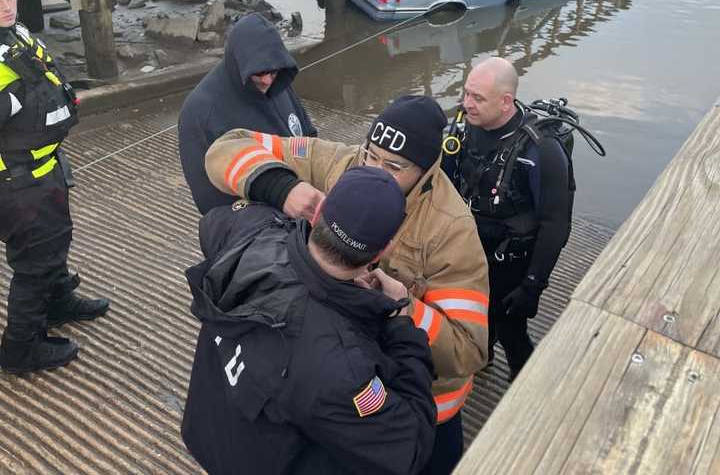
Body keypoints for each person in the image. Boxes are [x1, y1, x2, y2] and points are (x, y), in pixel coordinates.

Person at [204, 94, 490, 475]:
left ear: (426, 170)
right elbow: (227, 146)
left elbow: (469, 350)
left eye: (394, 166)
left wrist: (406, 308)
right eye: (371, 155)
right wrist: (281, 188)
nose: (374, 170)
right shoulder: (340, 161)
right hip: (342, 396)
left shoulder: (451, 228)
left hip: (423, 407)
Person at [181, 167, 436, 475]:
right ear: (383, 251)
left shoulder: (254, 229)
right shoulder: (343, 369)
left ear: (317, 214)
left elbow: (212, 224)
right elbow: (408, 449)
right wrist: (400, 325)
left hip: (208, 430)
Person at [0, 0, 110, 374]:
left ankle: (58, 300)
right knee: (35, 261)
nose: (7, 4)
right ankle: (19, 349)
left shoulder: (16, 33)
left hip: (44, 165)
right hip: (15, 180)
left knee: (54, 241)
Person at [442, 57, 570, 380]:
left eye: (477, 98)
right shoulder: (463, 128)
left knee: (511, 329)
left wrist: (533, 285)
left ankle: (523, 383)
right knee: (472, 320)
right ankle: (480, 362)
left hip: (512, 262)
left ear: (506, 102)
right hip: (469, 249)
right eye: (466, 93)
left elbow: (556, 224)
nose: (466, 104)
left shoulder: (542, 152)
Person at [178, 12, 317, 214]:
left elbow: (308, 137)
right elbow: (211, 203)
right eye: (259, 73)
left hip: (305, 207)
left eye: (273, 71)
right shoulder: (199, 113)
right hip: (259, 226)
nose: (267, 80)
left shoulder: (279, 83)